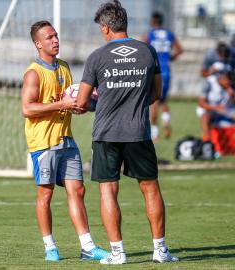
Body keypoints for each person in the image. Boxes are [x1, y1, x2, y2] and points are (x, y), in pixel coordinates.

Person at [76, 1, 178, 265]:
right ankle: (160, 250)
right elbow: (156, 93)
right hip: (138, 132)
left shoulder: (97, 57)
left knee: (108, 191)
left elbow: (83, 102)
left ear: (107, 27)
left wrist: (95, 103)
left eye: (101, 28)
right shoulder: (148, 52)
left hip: (106, 134)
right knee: (151, 189)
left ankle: (118, 253)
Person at [21, 20, 109, 262]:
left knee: (78, 190)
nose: (55, 40)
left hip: (65, 139)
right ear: (38, 44)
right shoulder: (33, 73)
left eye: (56, 36)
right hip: (43, 142)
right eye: (49, 37)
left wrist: (80, 107)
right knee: (46, 194)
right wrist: (61, 104)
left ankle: (88, 247)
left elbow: (68, 101)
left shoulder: (64, 67)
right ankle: (50, 247)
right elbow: (27, 109)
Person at [198, 71, 235, 157]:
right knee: (205, 117)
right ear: (221, 79)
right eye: (227, 82)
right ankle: (208, 147)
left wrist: (232, 96)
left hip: (226, 110)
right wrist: (216, 108)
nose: (228, 84)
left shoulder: (231, 87)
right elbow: (201, 103)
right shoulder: (209, 83)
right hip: (211, 109)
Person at [144, 11, 183, 141]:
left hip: (155, 70)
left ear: (153, 21)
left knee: (154, 101)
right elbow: (179, 50)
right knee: (163, 100)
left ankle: (154, 134)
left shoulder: (150, 35)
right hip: (166, 70)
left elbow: (142, 49)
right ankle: (166, 123)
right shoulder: (169, 34)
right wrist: (169, 58)